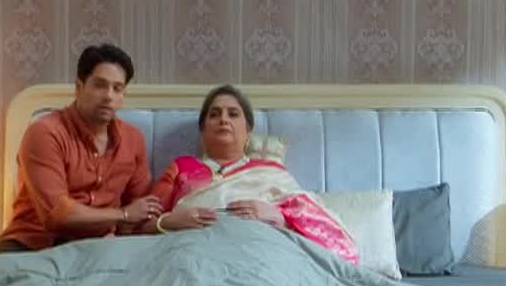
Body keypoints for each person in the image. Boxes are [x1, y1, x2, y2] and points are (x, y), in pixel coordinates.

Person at [0, 44, 161, 286]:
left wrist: (167, 221)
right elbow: (58, 215)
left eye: (117, 88)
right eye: (100, 85)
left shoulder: (133, 140)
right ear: (79, 86)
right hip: (32, 243)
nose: (108, 96)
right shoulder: (45, 133)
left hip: (101, 249)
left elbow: (141, 209)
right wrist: (123, 215)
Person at [145, 84, 360, 264]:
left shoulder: (270, 171)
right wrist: (170, 221)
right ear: (203, 131)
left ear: (248, 131)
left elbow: (329, 236)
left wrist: (278, 217)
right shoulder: (181, 166)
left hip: (262, 259)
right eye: (214, 114)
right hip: (192, 257)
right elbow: (140, 225)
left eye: (233, 114)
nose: (223, 119)